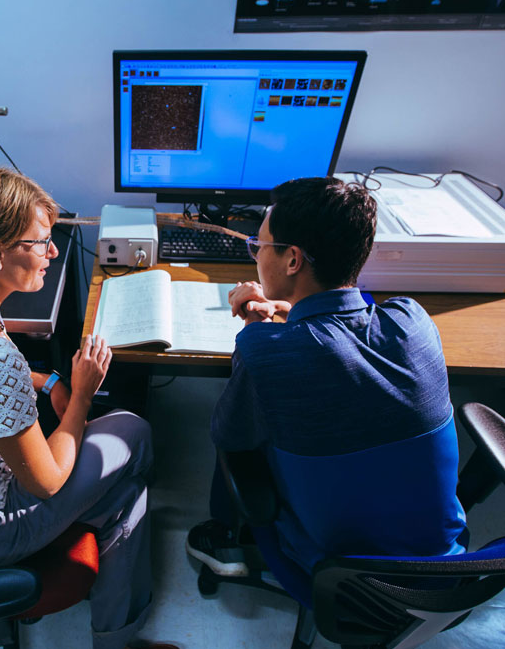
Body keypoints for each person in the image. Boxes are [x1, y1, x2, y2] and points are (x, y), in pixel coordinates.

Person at [0, 166, 179, 649]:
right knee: (131, 432)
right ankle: (116, 639)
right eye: (41, 242)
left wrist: (48, 382)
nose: (52, 252)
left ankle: (116, 630)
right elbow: (45, 482)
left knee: (125, 492)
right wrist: (83, 393)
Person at [186, 176, 468, 590]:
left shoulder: (266, 351)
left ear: (292, 260)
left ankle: (224, 537)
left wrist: (254, 334)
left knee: (242, 426)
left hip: (338, 576)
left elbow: (228, 434)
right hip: (445, 570)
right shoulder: (414, 322)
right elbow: (357, 319)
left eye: (258, 246)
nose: (255, 256)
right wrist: (300, 312)